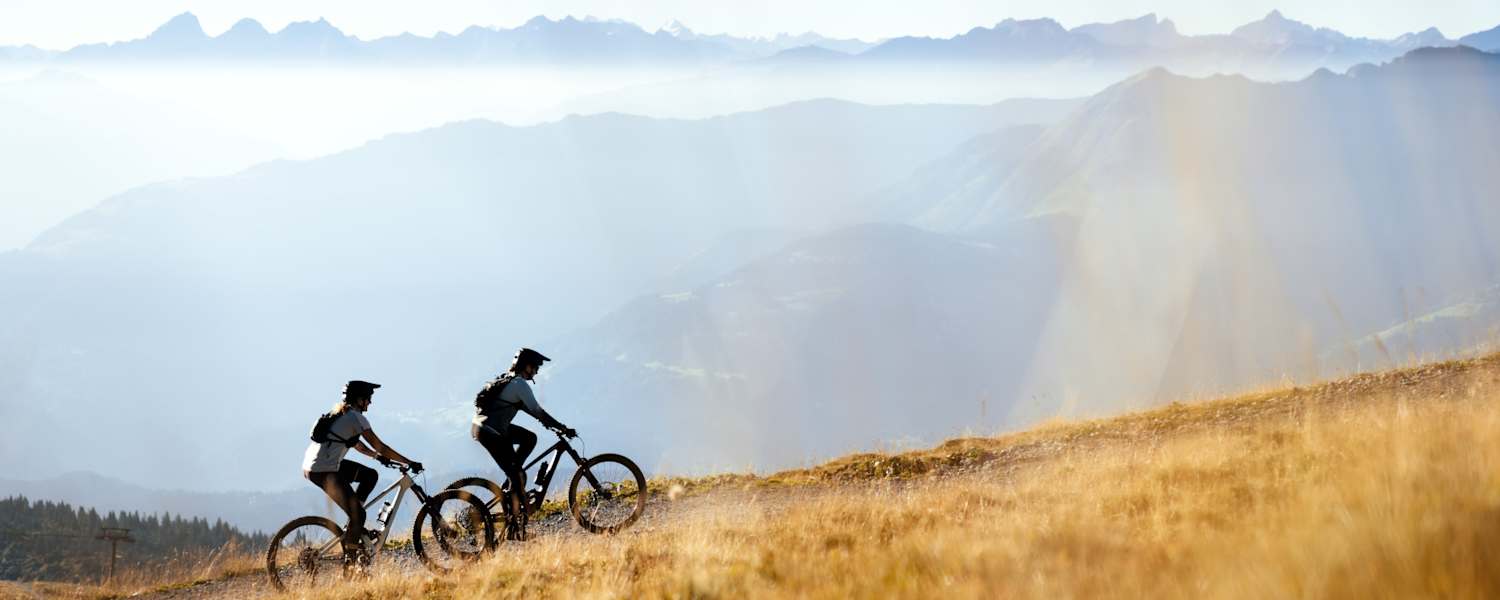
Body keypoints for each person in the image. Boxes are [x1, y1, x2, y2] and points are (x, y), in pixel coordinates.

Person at [301, 380, 422, 562]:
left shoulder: (342, 414)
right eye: (368, 398)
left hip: (317, 465)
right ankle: (351, 562)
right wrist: (408, 461)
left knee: (369, 475)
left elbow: (356, 444)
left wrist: (377, 457)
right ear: (359, 399)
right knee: (360, 514)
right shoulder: (356, 418)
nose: (370, 403)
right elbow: (380, 446)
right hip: (324, 470)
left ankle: (354, 525)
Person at [471, 348, 576, 498]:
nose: (536, 372)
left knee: (529, 439)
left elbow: (533, 412)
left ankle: (513, 479)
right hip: (490, 431)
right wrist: (563, 428)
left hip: (487, 427)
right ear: (526, 366)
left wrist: (551, 424)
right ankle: (513, 511)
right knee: (518, 475)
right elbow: (538, 411)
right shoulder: (519, 385)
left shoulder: (509, 379)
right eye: (535, 367)